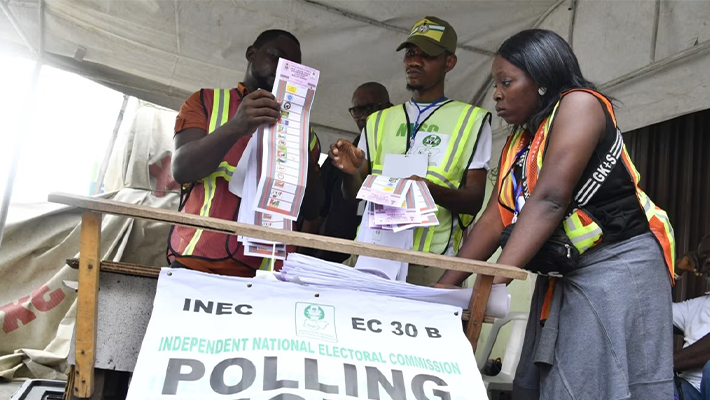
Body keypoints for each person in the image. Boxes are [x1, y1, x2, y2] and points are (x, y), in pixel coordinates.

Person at [436, 29, 676, 399]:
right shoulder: (521, 141)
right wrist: (447, 286)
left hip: (617, 266)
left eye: (506, 81)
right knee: (540, 383)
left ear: (543, 81)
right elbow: (494, 217)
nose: (496, 93)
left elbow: (550, 199)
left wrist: (493, 283)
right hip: (566, 271)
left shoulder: (581, 104)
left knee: (587, 383)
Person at [329, 16, 492, 285]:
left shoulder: (472, 121)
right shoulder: (378, 120)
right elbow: (352, 196)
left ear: (448, 62)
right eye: (410, 53)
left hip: (429, 263)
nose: (414, 61)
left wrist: (427, 190)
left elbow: (475, 200)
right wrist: (351, 172)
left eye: (427, 55)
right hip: (371, 256)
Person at [167, 29, 323, 277]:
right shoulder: (206, 101)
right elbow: (182, 169)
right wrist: (236, 126)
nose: (284, 69)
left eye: (292, 66)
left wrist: (298, 138)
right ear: (251, 53)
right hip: (197, 266)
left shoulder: (306, 132)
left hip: (269, 276)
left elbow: (313, 209)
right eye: (277, 57)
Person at [313, 82, 392, 262]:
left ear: (389, 108)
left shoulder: (398, 149)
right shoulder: (341, 154)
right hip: (332, 251)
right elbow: (318, 211)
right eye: (357, 110)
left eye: (370, 107)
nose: (363, 115)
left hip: (375, 251)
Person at [673, 234, 710, 400]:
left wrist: (659, 365)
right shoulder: (695, 307)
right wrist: (676, 271)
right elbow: (647, 312)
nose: (708, 260)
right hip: (686, 391)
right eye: (704, 257)